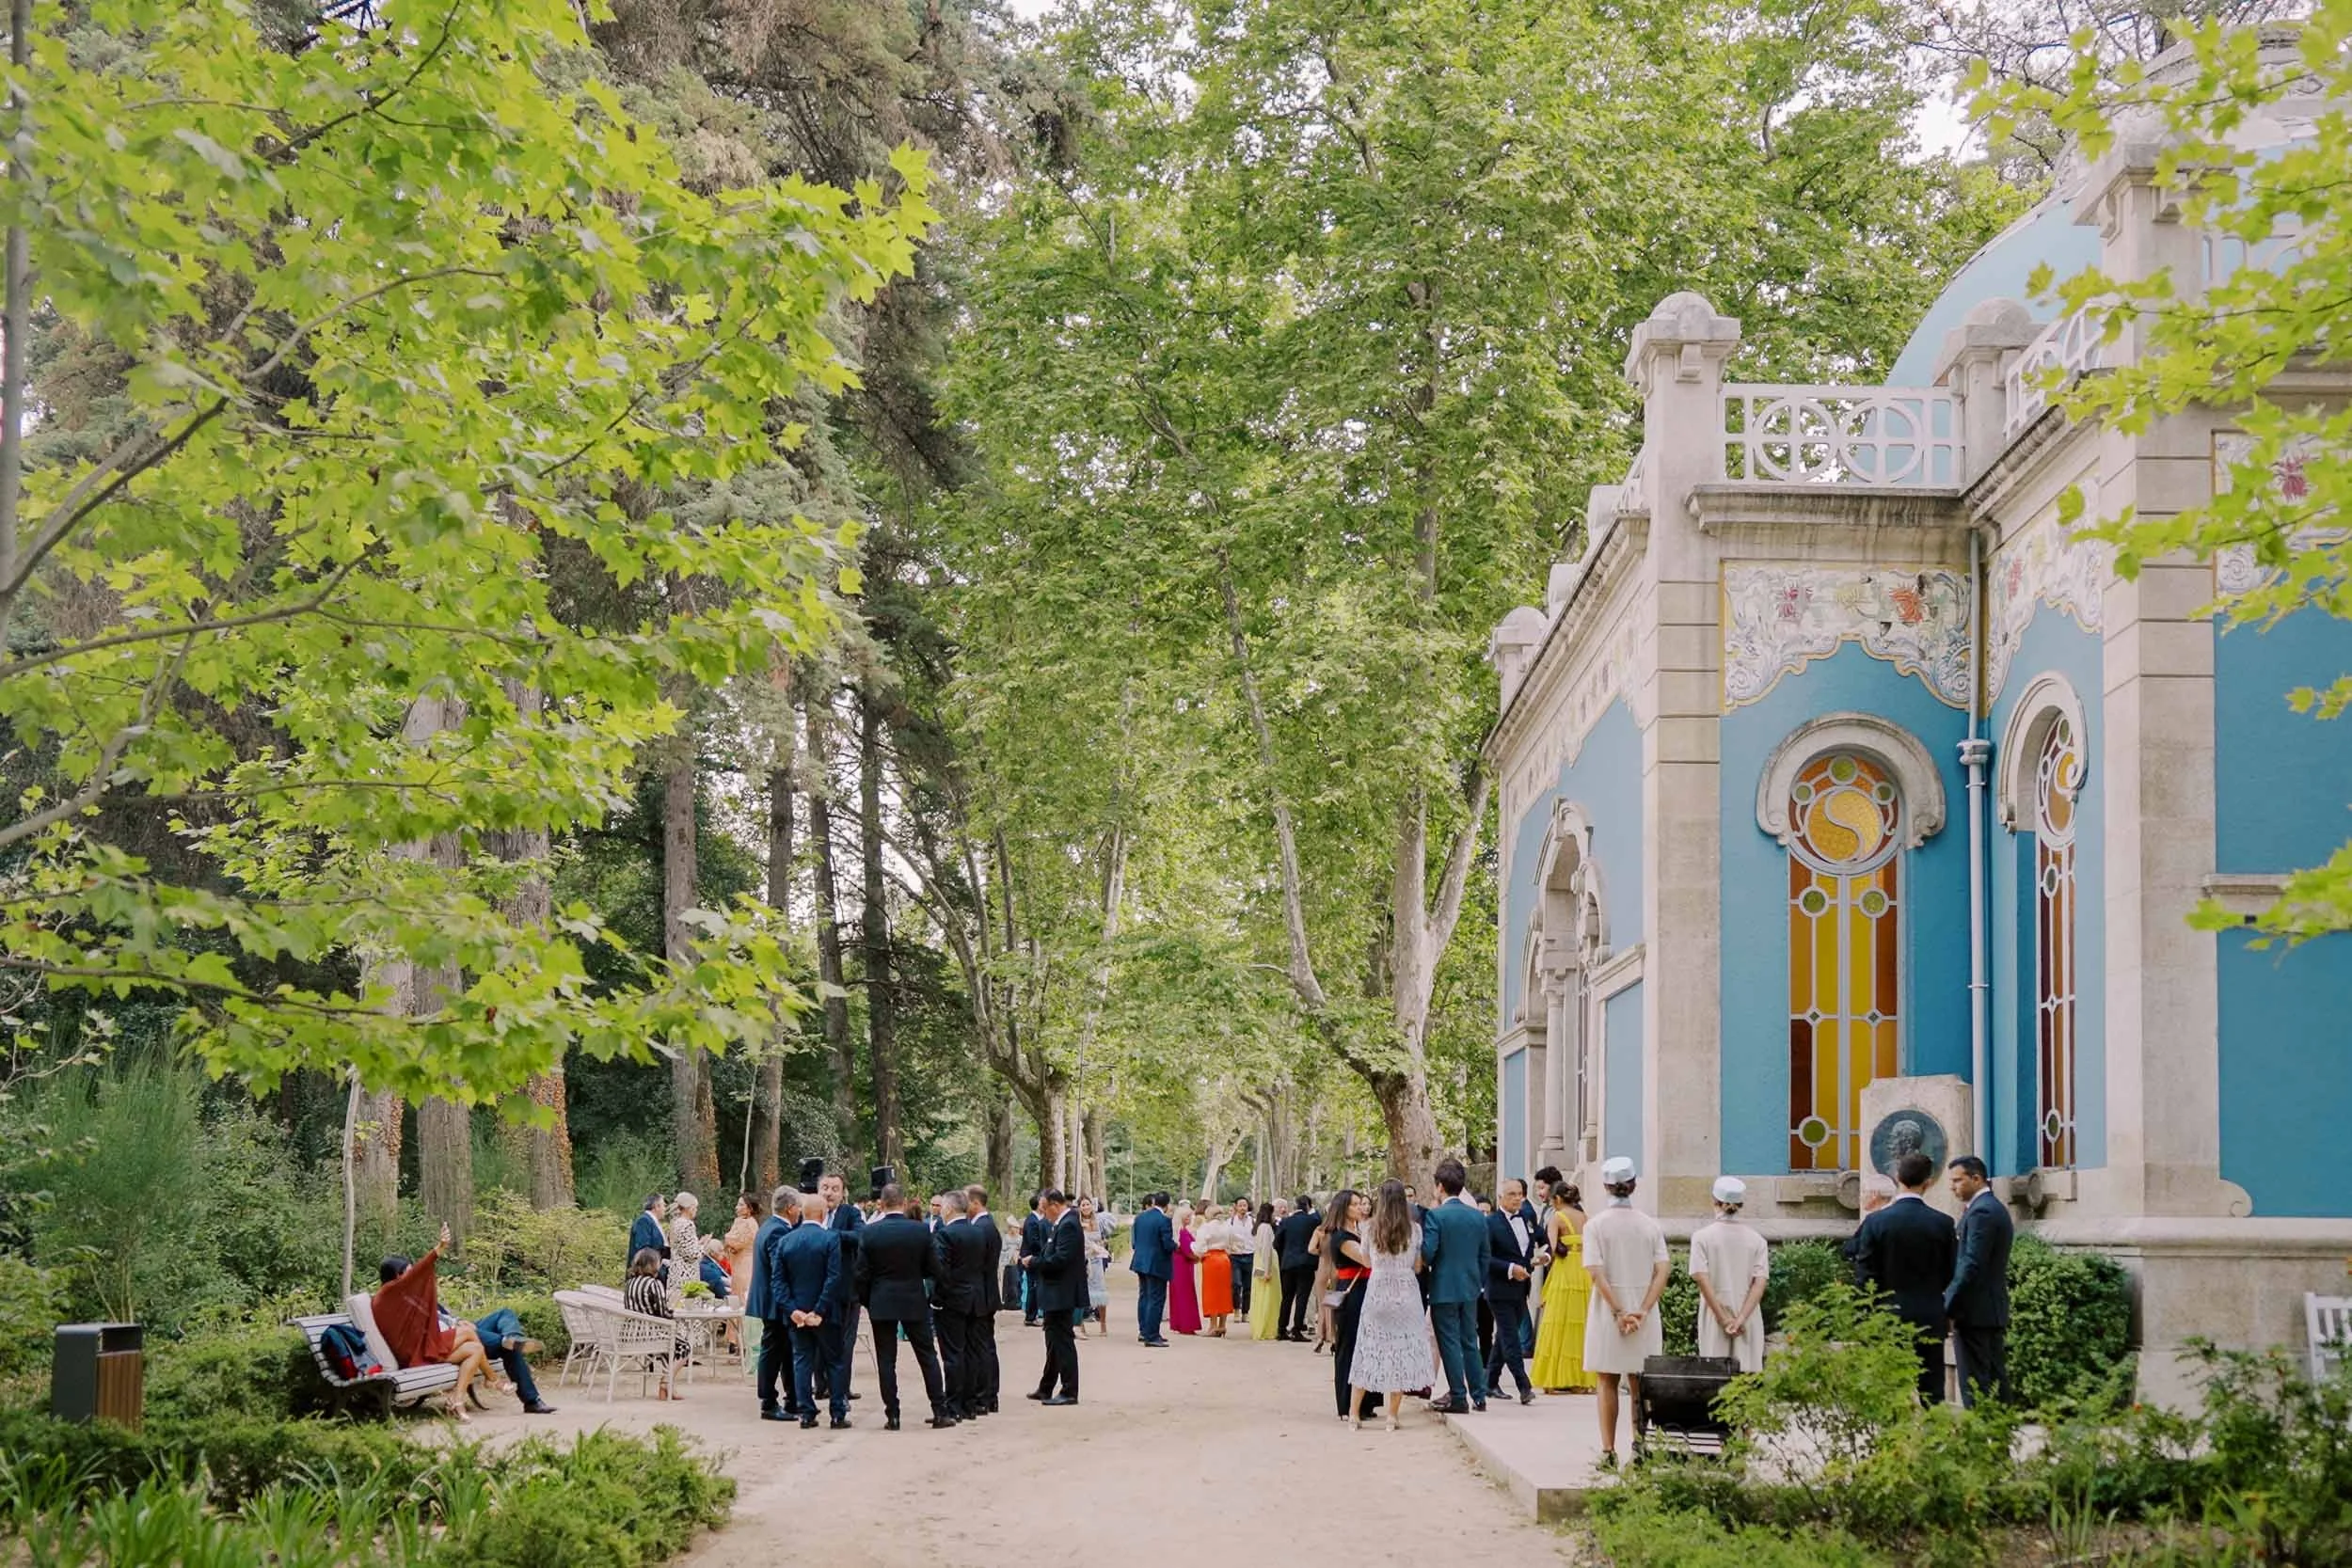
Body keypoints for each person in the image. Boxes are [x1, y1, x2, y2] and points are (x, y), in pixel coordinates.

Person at [1849, 1149, 1956, 1404]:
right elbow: (1951, 1271)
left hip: (1887, 1315)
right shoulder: (1943, 1223)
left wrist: (1864, 1313)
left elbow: (1865, 1273)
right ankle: (1933, 1440)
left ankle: (1895, 1441)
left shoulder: (1876, 1222)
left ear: (1897, 1177)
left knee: (1890, 1390)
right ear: (1928, 1183)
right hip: (1929, 1313)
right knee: (1932, 1390)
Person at [1583, 1156, 1670, 1464]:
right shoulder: (1650, 1226)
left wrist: (1619, 1311)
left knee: (1606, 1379)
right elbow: (1662, 1270)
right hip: (1643, 1312)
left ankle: (1608, 1451)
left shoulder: (1595, 1226)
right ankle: (1640, 1447)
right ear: (1633, 1185)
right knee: (1639, 1382)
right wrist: (1643, 1309)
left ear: (1606, 1186)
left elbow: (1596, 1272)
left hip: (1609, 1310)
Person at [852, 1181, 957, 1431]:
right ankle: (939, 1410)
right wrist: (935, 1294)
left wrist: (869, 1300)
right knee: (927, 1356)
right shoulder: (920, 1231)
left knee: (886, 1360)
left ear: (882, 1203)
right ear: (904, 1201)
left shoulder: (870, 1232)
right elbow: (935, 1269)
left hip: (882, 1300)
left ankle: (893, 1415)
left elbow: (861, 1274)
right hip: (913, 1298)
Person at [371, 1225, 490, 1419]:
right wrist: (439, 1249)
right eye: (408, 1272)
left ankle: (457, 1400)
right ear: (397, 1276)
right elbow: (421, 1270)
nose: (412, 1277)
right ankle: (493, 1379)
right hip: (415, 1354)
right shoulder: (387, 1293)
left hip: (421, 1349)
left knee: (475, 1349)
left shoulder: (396, 1297)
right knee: (468, 1332)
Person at [1346, 1180, 1434, 1431]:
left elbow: (1366, 1261)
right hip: (1406, 1293)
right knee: (1400, 1353)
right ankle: (1392, 1416)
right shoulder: (1414, 1230)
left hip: (1378, 1291)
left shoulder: (1370, 1228)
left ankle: (1354, 1414)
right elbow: (1417, 1266)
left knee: (1368, 1349)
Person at [1419, 1158, 1491, 1414]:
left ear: (1439, 1187)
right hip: (1470, 1287)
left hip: (1443, 1287)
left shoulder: (1435, 1216)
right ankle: (1480, 1395)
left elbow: (1428, 1252)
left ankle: (1459, 1396)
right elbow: (1485, 1255)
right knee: (1470, 1340)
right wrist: (1478, 1281)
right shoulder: (1477, 1217)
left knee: (1449, 1342)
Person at [776, 1186, 849, 1428]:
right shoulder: (830, 1239)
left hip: (797, 1313)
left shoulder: (786, 1241)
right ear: (822, 1214)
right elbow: (834, 1278)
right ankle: (837, 1412)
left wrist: (793, 1310)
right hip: (826, 1313)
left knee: (802, 1361)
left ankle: (806, 1413)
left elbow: (778, 1282)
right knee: (835, 1362)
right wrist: (818, 1310)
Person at [1946, 1155, 2014, 1407]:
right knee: (1991, 1380)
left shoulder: (1983, 1211)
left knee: (1977, 1385)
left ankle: (1986, 1441)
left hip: (1977, 1312)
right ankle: (1997, 1441)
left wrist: (1948, 1304)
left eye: (1957, 1181)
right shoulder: (1985, 1208)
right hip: (1984, 1311)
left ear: (1976, 1179)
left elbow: (1971, 1263)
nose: (1953, 1187)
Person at [1690, 1177, 1770, 1373]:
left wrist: (1724, 1319)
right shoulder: (1757, 1240)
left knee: (1715, 1379)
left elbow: (1702, 1278)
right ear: (1741, 1204)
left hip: (1714, 1314)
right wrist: (1740, 1319)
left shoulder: (1702, 1238)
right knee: (1746, 1378)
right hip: (1747, 1316)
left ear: (1714, 1201)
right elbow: (1759, 1284)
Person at [1529, 1180, 1594, 1393]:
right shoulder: (1585, 1217)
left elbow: (1553, 1248)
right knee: (1580, 1323)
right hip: (1583, 1270)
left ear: (1557, 1199)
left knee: (1557, 1321)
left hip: (1565, 1271)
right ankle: (1580, 1380)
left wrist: (1540, 1260)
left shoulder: (1557, 1217)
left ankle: (1554, 1379)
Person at [1482, 1178, 1538, 1405]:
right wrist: (1509, 1269)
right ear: (1501, 1198)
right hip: (1499, 1288)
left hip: (1521, 1288)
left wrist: (1541, 1257)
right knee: (1511, 1338)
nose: (1517, 1198)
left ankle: (1490, 1382)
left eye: (1520, 1194)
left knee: (1504, 1337)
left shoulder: (1527, 1219)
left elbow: (1537, 1243)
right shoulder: (1491, 1223)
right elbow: (1485, 1257)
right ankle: (1523, 1385)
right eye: (1512, 1194)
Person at [933, 1190, 989, 1420]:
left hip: (953, 1300)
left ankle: (954, 1405)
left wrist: (938, 1298)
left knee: (953, 1354)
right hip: (976, 1297)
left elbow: (941, 1271)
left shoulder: (946, 1234)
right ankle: (969, 1403)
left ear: (948, 1208)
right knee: (972, 1352)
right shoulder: (978, 1232)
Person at [749, 1187, 800, 1421]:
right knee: (773, 1351)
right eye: (798, 1207)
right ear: (790, 1208)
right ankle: (768, 1401)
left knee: (785, 1350)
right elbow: (780, 1267)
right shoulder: (778, 1231)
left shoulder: (768, 1226)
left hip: (770, 1298)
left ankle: (792, 1398)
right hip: (775, 1300)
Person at [1028, 1190, 1084, 1405]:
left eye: (1045, 1210)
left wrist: (1034, 1262)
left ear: (1054, 1205)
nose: (1044, 1215)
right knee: (1053, 1340)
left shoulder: (1068, 1224)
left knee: (1063, 1341)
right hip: (1055, 1292)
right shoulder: (1060, 1223)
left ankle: (1070, 1390)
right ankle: (1047, 1386)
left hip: (1062, 1292)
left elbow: (1060, 1259)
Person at [1322, 1189, 1373, 1419]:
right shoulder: (1341, 1237)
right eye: (1354, 1204)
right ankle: (1346, 1403)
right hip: (1352, 1292)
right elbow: (1366, 1258)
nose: (1359, 1208)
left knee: (1366, 1346)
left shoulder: (1358, 1231)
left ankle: (1366, 1402)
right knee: (1349, 1346)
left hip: (1366, 1289)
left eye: (1360, 1204)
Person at [816, 1172, 865, 1405]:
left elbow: (860, 1236)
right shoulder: (810, 1214)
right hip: (816, 1289)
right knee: (817, 1341)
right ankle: (821, 1386)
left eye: (834, 1188)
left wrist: (831, 1235)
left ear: (842, 1193)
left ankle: (841, 1388)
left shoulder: (850, 1213)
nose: (829, 1192)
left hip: (846, 1289)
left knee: (845, 1342)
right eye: (825, 1187)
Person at [624, 1245, 691, 1402]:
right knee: (684, 1346)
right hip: (651, 1333)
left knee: (670, 1348)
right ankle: (666, 1382)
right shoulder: (654, 1284)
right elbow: (663, 1313)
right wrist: (676, 1313)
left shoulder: (630, 1284)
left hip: (631, 1334)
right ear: (653, 1264)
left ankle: (668, 1387)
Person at [964, 1184, 1005, 1410]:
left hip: (981, 1295)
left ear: (975, 1203)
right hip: (985, 1293)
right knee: (985, 1346)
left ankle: (985, 1395)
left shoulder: (982, 1228)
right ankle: (988, 1394)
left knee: (982, 1347)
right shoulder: (985, 1225)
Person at [1129, 1191, 1174, 1348]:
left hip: (1140, 1261)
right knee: (1156, 1299)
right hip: (1157, 1263)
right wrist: (1177, 1246)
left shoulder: (1141, 1217)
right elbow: (1167, 1244)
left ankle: (1144, 1330)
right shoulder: (1164, 1220)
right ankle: (1152, 1335)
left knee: (1144, 1296)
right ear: (1167, 1205)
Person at [1274, 1196, 1321, 1343]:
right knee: (1302, 1297)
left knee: (1287, 1297)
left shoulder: (1286, 1221)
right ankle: (1297, 1329)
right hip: (1306, 1263)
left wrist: (1285, 1255)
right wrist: (1312, 1209)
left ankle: (1281, 1329)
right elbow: (1320, 1219)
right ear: (1308, 1206)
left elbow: (1277, 1243)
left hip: (1288, 1263)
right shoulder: (1313, 1220)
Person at [668, 1192, 730, 1302]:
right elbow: (693, 1254)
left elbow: (683, 1247)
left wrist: (699, 1243)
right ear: (690, 1208)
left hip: (675, 1270)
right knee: (687, 1305)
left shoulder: (675, 1223)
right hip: (686, 1273)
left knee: (676, 1303)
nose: (696, 1210)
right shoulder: (688, 1224)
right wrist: (704, 1245)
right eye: (695, 1208)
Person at [1248, 1201, 1283, 1341]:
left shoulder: (1258, 1228)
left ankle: (1260, 1326)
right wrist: (1268, 1270)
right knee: (1269, 1297)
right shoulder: (1266, 1228)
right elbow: (1267, 1249)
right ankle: (1268, 1327)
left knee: (1260, 1295)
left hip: (1258, 1261)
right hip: (1266, 1263)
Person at [1198, 1205, 1234, 1337]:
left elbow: (1200, 1247)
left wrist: (1199, 1254)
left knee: (1211, 1291)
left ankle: (1213, 1326)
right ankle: (1222, 1325)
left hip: (1211, 1258)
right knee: (1224, 1291)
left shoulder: (1206, 1227)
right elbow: (1232, 1243)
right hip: (1224, 1258)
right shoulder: (1227, 1226)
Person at [1077, 1196, 1111, 1338]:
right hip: (1083, 1260)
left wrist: (1101, 1246)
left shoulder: (1099, 1221)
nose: (1085, 1207)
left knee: (1100, 1292)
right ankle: (1080, 1325)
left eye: (1087, 1204)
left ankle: (1103, 1324)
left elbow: (1104, 1238)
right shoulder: (1076, 1222)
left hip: (1097, 1261)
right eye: (1083, 1205)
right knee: (1081, 1293)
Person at [1169, 1204, 1203, 1337]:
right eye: (1188, 1216)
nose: (1190, 1218)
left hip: (1181, 1263)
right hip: (1182, 1264)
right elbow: (1187, 1250)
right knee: (1185, 1294)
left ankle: (1180, 1323)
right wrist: (1197, 1258)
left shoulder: (1181, 1231)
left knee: (1180, 1294)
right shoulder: (1182, 1232)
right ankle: (1186, 1324)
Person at [1019, 1194, 1048, 1327]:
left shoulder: (1037, 1220)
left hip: (1034, 1257)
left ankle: (1033, 1314)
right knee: (1033, 1287)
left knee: (1035, 1286)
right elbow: (1034, 1242)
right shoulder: (1032, 1221)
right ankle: (1030, 1316)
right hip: (1031, 1257)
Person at [1226, 1198, 1257, 1320]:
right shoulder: (1230, 1222)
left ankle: (1246, 1312)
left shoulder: (1253, 1221)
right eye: (1240, 1205)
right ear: (1236, 1207)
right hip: (1235, 1256)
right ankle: (1236, 1309)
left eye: (1245, 1205)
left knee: (1248, 1286)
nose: (1243, 1208)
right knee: (1236, 1284)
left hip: (1250, 1254)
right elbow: (1226, 1237)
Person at [629, 1194, 669, 1282]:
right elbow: (644, 1249)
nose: (665, 1209)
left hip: (654, 1272)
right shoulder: (644, 1221)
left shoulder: (653, 1222)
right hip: (644, 1276)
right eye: (664, 1206)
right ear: (656, 1206)